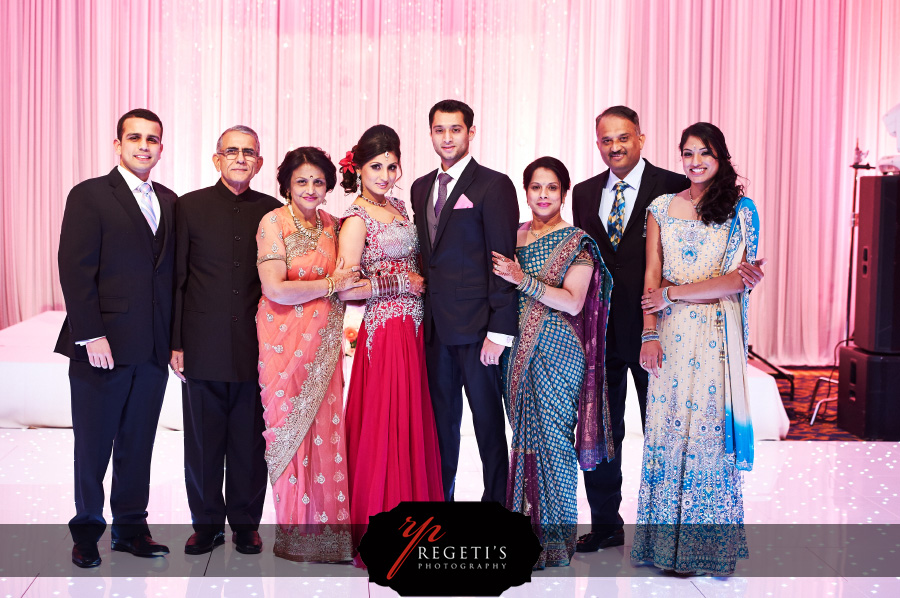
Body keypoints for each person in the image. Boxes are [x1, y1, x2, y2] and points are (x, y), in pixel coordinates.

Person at [571, 106, 765, 551]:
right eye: (605, 140)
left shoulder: (672, 187)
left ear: (641, 138)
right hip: (602, 331)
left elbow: (703, 254)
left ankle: (679, 532)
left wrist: (655, 322)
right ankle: (606, 524)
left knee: (676, 430)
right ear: (597, 143)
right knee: (602, 427)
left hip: (664, 329)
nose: (615, 146)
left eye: (623, 137)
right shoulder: (583, 194)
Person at [631, 122, 763, 575]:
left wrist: (674, 294)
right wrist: (649, 332)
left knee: (706, 436)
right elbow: (651, 276)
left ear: (720, 155)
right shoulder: (662, 207)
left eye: (704, 152)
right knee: (666, 434)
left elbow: (735, 281)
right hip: (668, 336)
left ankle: (701, 549)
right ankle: (663, 546)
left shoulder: (741, 211)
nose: (695, 161)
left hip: (714, 337)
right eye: (687, 153)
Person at [55, 108, 175, 568]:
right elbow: (75, 270)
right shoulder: (89, 196)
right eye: (135, 138)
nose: (144, 146)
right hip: (101, 347)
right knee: (93, 444)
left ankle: (130, 527)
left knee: (137, 442)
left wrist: (172, 342)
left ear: (161, 148)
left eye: (153, 139)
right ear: (117, 145)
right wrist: (91, 335)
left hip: (150, 349)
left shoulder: (168, 198)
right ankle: (86, 530)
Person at [491, 157, 613, 569]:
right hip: (516, 351)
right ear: (526, 192)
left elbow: (573, 301)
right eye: (536, 188)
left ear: (563, 192)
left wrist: (521, 279)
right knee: (523, 438)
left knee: (555, 441)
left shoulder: (576, 241)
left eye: (552, 188)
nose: (543, 195)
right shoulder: (515, 236)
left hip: (559, 350)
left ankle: (556, 539)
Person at [171, 125, 281, 555]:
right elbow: (177, 278)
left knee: (250, 442)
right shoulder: (189, 207)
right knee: (201, 443)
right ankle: (206, 524)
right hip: (201, 344)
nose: (240, 158)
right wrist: (176, 341)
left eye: (248, 152)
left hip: (256, 346)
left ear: (258, 162)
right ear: (217, 159)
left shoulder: (273, 211)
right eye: (231, 151)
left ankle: (246, 525)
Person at [337, 125, 444, 567]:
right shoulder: (356, 218)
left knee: (413, 421)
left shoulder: (401, 207)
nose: (385, 174)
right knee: (386, 423)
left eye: (391, 165)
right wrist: (401, 282)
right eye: (376, 166)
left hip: (414, 330)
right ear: (359, 169)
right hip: (384, 332)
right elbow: (345, 288)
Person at [255, 146, 363, 562]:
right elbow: (275, 288)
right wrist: (332, 284)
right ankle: (295, 536)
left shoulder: (336, 226)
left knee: (327, 433)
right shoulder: (273, 223)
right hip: (281, 346)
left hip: (324, 346)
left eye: (318, 181)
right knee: (286, 433)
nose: (311, 188)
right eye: (302, 181)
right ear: (286, 184)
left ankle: (330, 538)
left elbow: (351, 283)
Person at [410, 99, 519, 503]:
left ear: (471, 133)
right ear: (432, 134)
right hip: (435, 329)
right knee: (441, 427)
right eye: (440, 129)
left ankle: (496, 508)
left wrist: (500, 331)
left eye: (456, 129)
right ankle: (442, 506)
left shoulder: (494, 185)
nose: (448, 137)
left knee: (489, 425)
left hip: (479, 330)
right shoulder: (421, 187)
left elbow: (503, 260)